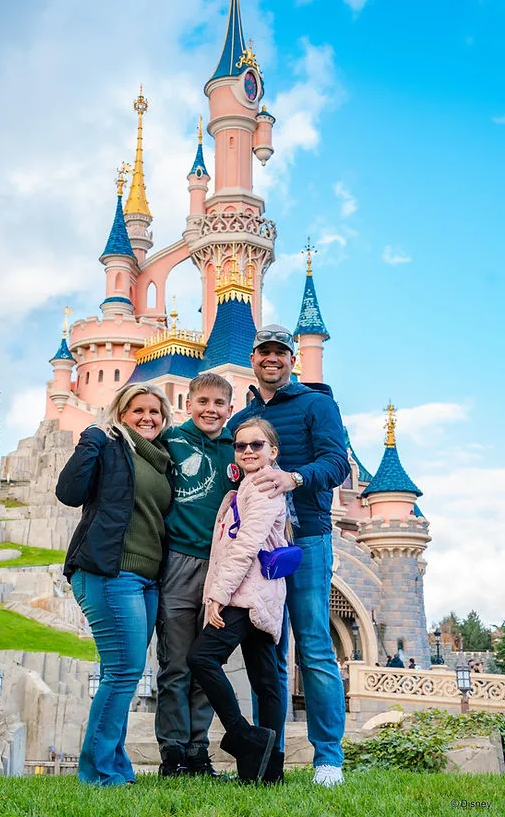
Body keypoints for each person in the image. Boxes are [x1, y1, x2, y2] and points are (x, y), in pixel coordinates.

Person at [228, 324, 350, 788]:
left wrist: (293, 479)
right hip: (262, 542)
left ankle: (328, 759)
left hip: (306, 537)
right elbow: (240, 465)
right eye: (263, 352)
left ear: (292, 358)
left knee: (315, 647)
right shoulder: (248, 412)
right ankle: (268, 757)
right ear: (254, 358)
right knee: (267, 651)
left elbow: (336, 463)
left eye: (280, 352)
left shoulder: (318, 404)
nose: (271, 359)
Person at [56, 383, 173, 788]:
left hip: (147, 580)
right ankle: (96, 772)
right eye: (137, 410)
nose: (147, 417)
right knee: (124, 672)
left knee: (120, 672)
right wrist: (90, 439)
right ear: (121, 413)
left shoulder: (161, 460)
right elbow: (68, 493)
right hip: (109, 572)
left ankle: (116, 767)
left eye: (155, 412)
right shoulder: (107, 445)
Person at [187, 418, 289, 784]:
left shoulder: (262, 488)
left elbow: (247, 546)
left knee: (201, 657)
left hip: (247, 595)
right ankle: (270, 769)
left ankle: (245, 737)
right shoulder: (250, 485)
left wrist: (218, 595)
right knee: (265, 681)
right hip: (259, 595)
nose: (247, 450)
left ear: (272, 451)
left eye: (256, 445)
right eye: (241, 445)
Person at [155, 373, 235, 778]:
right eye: (203, 401)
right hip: (179, 562)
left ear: (229, 409)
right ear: (189, 404)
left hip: (221, 569)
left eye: (219, 403)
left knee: (206, 665)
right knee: (176, 663)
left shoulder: (236, 449)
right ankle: (172, 753)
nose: (210, 409)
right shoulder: (169, 441)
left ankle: (198, 751)